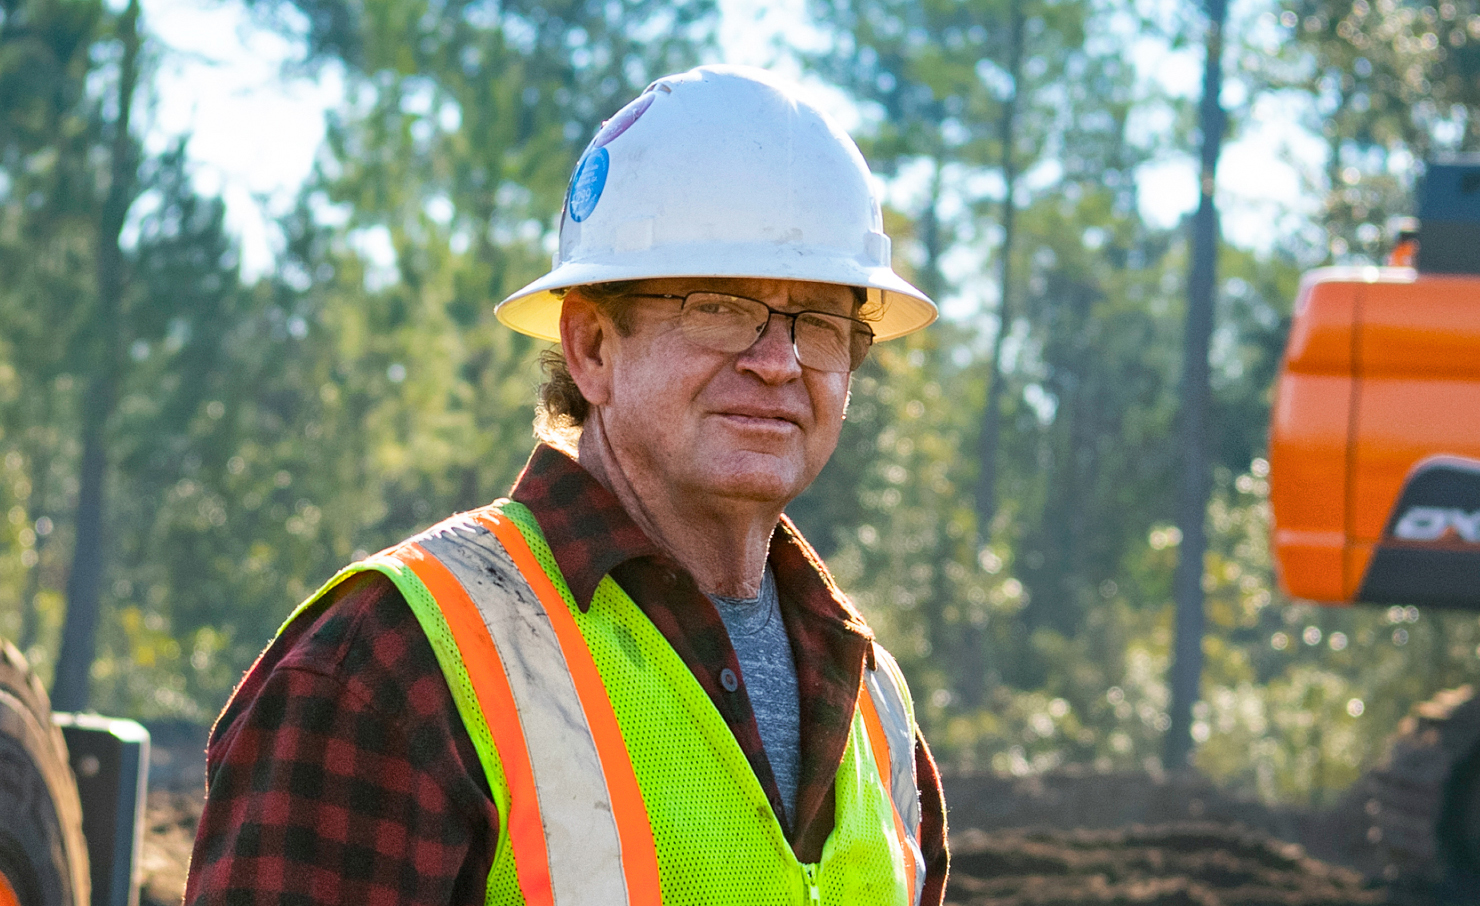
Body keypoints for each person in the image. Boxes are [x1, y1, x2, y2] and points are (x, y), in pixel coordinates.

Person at [185, 64, 948, 906]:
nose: (776, 362)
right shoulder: (392, 658)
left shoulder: (873, 699)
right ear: (589, 348)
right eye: (720, 307)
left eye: (820, 322)